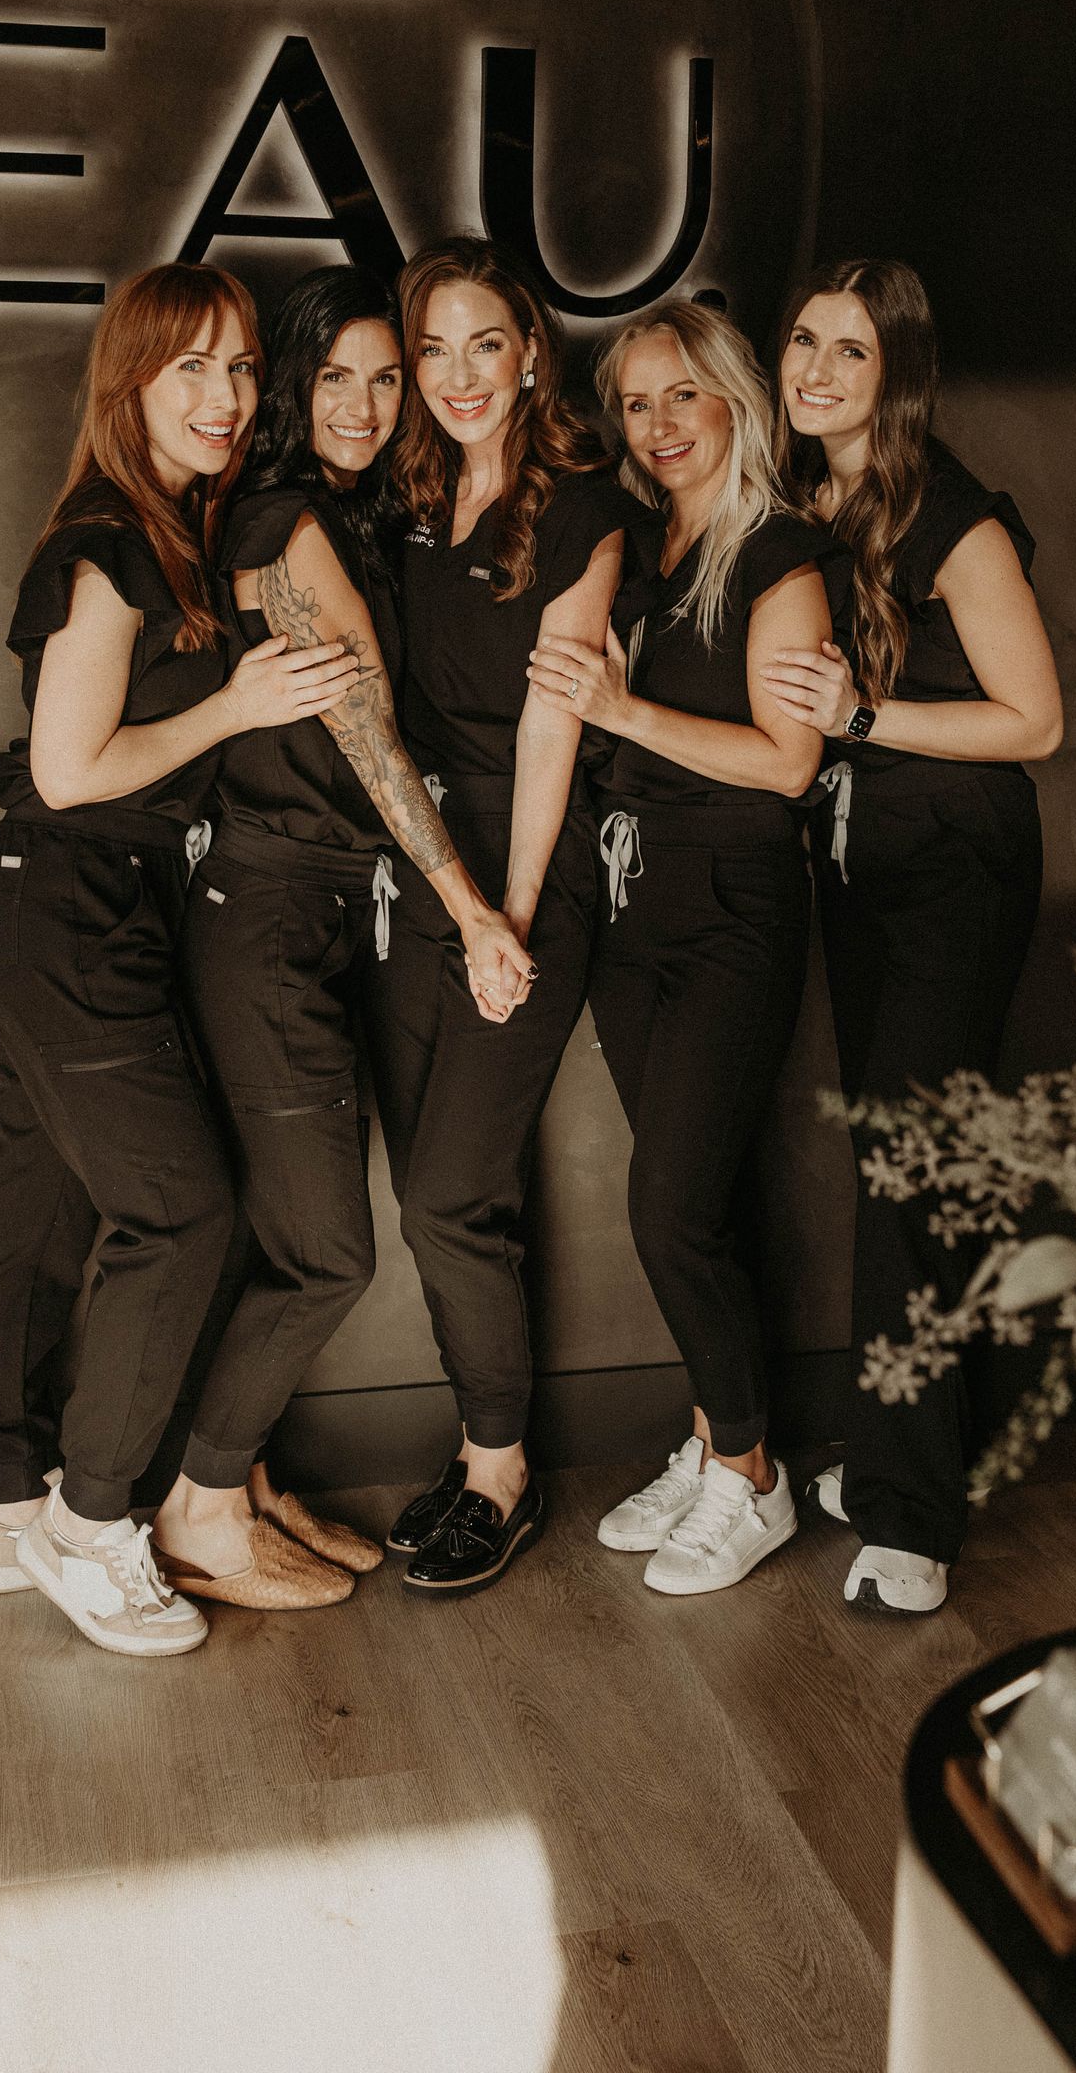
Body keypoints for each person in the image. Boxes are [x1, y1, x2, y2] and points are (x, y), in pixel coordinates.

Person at [0, 263, 362, 1656]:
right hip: (65, 900)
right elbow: (71, 771)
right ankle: (91, 1522)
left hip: (67, 903)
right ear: (129, 385)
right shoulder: (108, 544)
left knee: (38, 1209)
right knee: (180, 1215)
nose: (226, 398)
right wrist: (239, 698)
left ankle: (6, 1508)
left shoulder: (166, 537)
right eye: (191, 369)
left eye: (243, 370)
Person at [148, 267, 534, 1611]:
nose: (366, 404)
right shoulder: (277, 519)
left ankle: (242, 1485)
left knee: (284, 1233)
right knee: (328, 1253)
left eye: (388, 376)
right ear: (289, 391)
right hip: (268, 913)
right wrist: (473, 904)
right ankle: (200, 1510)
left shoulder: (349, 514)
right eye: (336, 379)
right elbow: (366, 727)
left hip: (314, 910)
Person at [762, 258, 1062, 1617]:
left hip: (955, 865)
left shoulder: (953, 514)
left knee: (914, 1172)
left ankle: (914, 1523)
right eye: (805, 342)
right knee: (895, 1159)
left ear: (898, 375)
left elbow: (1036, 723)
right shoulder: (811, 493)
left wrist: (859, 721)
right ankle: (911, 1453)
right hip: (859, 859)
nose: (818, 369)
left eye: (851, 352)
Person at [529, 301, 832, 1598]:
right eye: (635, 404)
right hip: (631, 899)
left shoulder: (780, 555)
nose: (655, 427)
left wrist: (623, 707)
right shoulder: (648, 546)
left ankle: (753, 1478)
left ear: (733, 402)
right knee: (692, 1201)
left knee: (667, 1208)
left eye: (679, 399)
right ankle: (718, 1439)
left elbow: (789, 762)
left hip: (732, 901)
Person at [360, 236, 628, 1594]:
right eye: (433, 350)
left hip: (524, 866)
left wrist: (508, 915)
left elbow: (549, 721)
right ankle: (483, 1446)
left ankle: (501, 1476)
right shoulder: (402, 496)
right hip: (416, 863)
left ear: (531, 352)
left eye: (485, 345)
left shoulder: (581, 503)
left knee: (455, 1188)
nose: (459, 376)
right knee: (435, 1189)